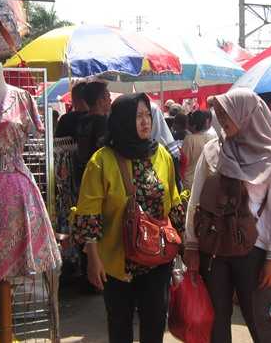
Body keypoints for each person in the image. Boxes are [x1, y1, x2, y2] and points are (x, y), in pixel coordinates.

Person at [184, 89, 271, 343]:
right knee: (216, 320)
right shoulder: (213, 150)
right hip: (213, 248)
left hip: (253, 253)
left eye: (227, 113)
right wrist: (191, 243)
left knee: (258, 320)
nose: (221, 119)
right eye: (219, 113)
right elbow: (196, 198)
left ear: (247, 115)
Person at [73, 93, 183, 343]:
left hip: (158, 259)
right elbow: (89, 213)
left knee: (155, 324)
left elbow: (174, 201)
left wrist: (186, 246)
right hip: (117, 262)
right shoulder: (101, 161)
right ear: (122, 120)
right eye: (137, 116)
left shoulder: (161, 155)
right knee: (120, 326)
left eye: (147, 115)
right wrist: (92, 258)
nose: (145, 122)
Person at [75, 82, 111, 187]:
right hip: (98, 175)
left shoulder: (81, 121)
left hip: (82, 172)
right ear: (100, 101)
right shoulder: (102, 122)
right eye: (108, 96)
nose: (110, 100)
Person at [182, 110, 216, 191]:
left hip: (191, 182)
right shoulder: (211, 137)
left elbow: (184, 161)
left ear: (194, 125)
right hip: (207, 182)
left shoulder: (189, 139)